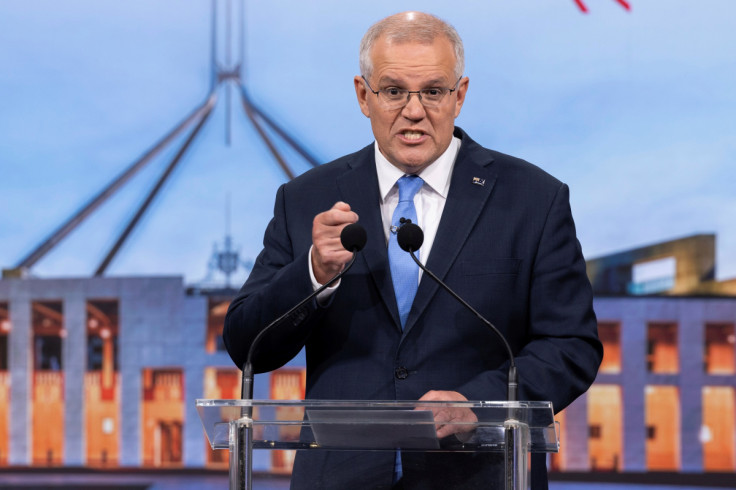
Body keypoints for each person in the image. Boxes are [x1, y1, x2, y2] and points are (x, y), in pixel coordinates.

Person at [224, 11, 602, 490]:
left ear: (459, 96)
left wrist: (478, 405)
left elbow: (571, 346)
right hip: (341, 477)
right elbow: (245, 343)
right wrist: (313, 273)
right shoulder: (305, 199)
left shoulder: (532, 199)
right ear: (364, 96)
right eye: (394, 90)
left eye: (433, 91)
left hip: (479, 477)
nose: (414, 110)